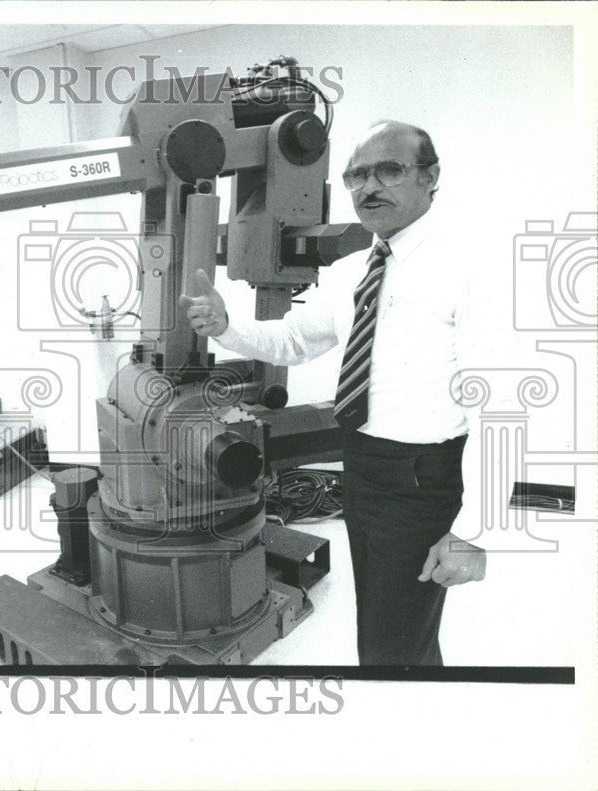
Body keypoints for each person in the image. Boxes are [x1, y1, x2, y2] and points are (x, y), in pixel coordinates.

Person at [179, 120, 486, 666]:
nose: (369, 187)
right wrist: (226, 325)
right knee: (391, 623)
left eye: (389, 171)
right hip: (362, 463)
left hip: (422, 475)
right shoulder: (353, 269)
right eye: (355, 176)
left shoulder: (468, 264)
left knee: (392, 642)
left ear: (431, 176)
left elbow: (501, 402)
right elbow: (295, 340)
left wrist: (478, 529)